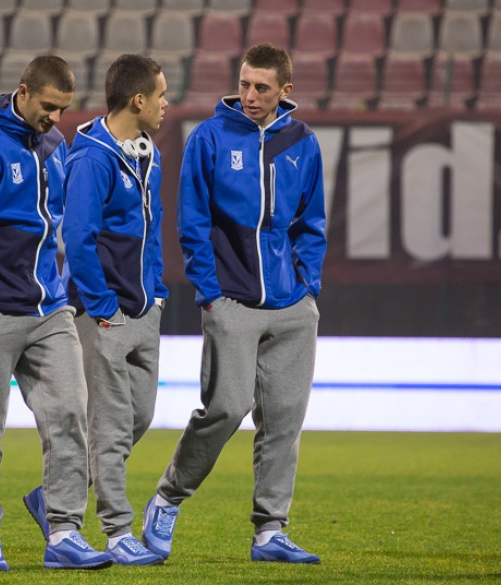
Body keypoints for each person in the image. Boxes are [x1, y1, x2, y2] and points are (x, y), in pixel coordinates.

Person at [142, 43, 327, 565]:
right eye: (244, 84)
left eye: (261, 87)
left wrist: (308, 286)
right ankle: (168, 498)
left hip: (292, 305)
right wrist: (211, 292)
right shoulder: (210, 137)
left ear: (285, 91)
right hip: (231, 301)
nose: (249, 95)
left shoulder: (303, 142)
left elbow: (311, 221)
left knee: (284, 419)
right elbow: (193, 222)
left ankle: (270, 530)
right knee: (225, 408)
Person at [0, 55, 112, 571]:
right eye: (48, 106)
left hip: (50, 309)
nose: (56, 118)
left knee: (70, 415)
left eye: (64, 109)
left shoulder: (55, 144)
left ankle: (64, 531)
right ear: (22, 93)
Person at [57, 54, 169, 566]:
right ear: (138, 100)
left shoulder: (150, 154)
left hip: (144, 310)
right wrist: (102, 307)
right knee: (109, 427)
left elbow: (154, 226)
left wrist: (157, 291)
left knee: (138, 415)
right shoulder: (92, 158)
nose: (166, 105)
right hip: (104, 313)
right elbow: (78, 239)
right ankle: (118, 531)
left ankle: (54, 495)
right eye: (160, 96)